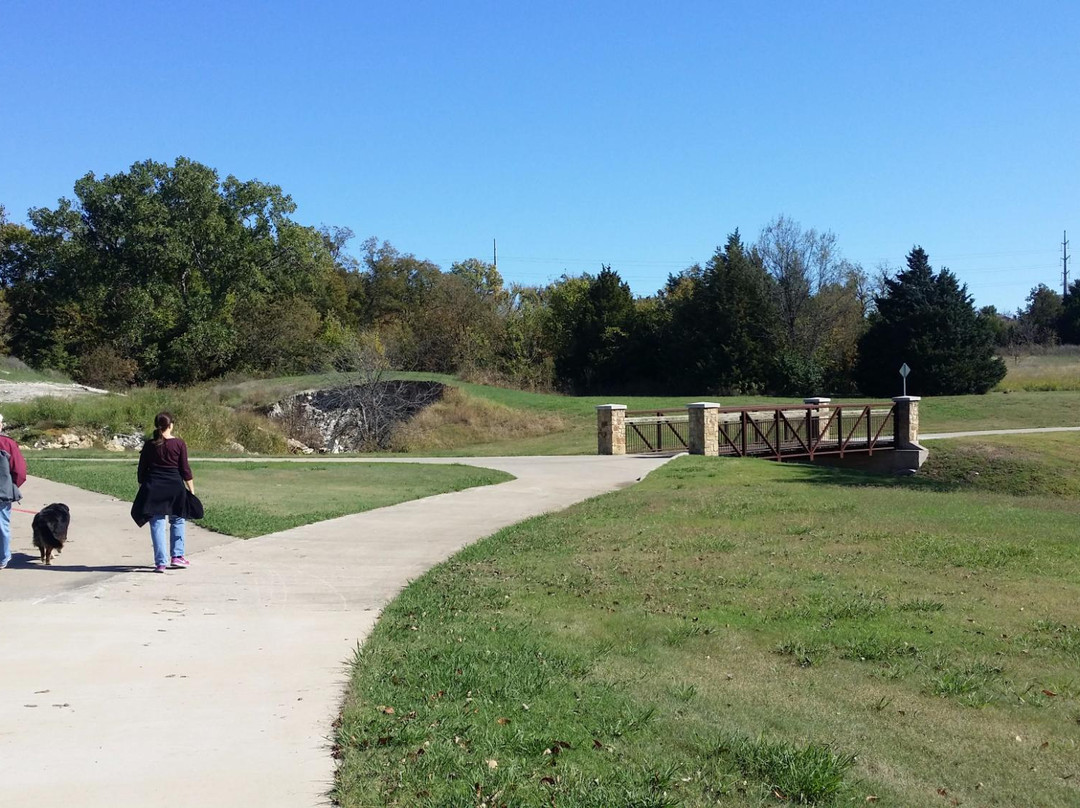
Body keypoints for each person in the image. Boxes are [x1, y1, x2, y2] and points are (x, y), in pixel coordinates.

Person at [131, 411, 195, 573]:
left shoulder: (149, 445)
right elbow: (185, 469)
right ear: (171, 425)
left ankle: (160, 562)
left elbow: (141, 469)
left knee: (157, 524)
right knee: (178, 520)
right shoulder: (179, 444)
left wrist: (142, 487)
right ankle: (177, 556)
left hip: (153, 487)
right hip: (174, 486)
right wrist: (191, 490)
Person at [0, 414, 27, 570]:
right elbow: (20, 471)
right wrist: (11, 486)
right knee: (2, 526)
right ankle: (3, 557)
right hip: (2, 493)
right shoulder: (7, 443)